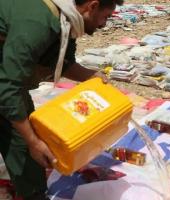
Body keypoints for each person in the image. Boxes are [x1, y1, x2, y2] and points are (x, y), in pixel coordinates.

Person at [0, 0, 123, 199]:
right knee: (23, 131)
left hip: (7, 73)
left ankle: (34, 193)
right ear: (92, 6)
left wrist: (92, 76)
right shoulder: (37, 22)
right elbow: (7, 86)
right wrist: (33, 142)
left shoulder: (66, 21)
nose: (104, 25)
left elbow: (61, 62)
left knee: (21, 131)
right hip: (6, 77)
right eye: (106, 17)